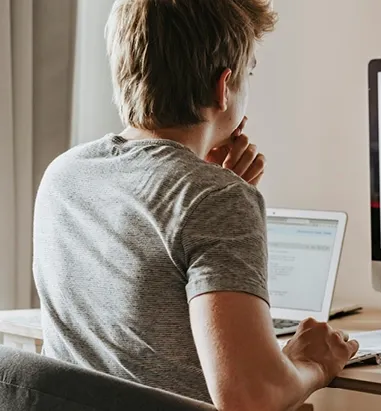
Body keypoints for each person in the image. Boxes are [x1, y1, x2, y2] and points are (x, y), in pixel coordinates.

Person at [32, 1, 359, 410]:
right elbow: (249, 399)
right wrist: (310, 363)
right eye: (249, 72)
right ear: (223, 87)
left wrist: (215, 188)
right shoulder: (215, 197)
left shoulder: (63, 175)